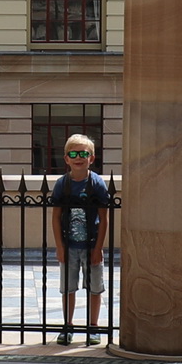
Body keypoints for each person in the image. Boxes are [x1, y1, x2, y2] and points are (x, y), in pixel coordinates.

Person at [47, 134, 113, 341]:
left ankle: (93, 326)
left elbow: (104, 218)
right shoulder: (62, 184)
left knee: (95, 288)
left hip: (91, 245)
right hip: (69, 246)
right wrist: (59, 246)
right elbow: (56, 217)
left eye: (83, 154)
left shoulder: (97, 183)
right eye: (73, 154)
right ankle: (68, 325)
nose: (78, 158)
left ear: (91, 158)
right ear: (66, 158)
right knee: (68, 288)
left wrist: (98, 248)